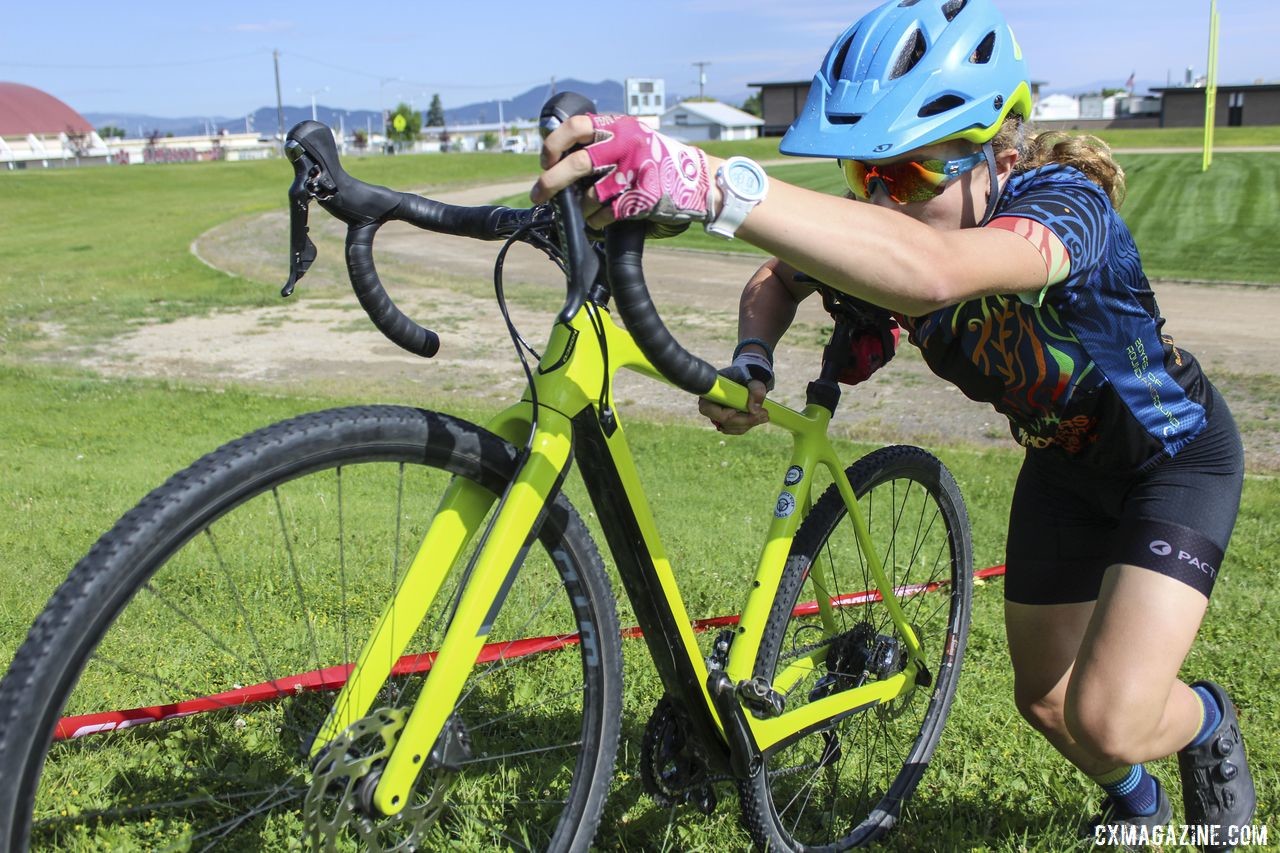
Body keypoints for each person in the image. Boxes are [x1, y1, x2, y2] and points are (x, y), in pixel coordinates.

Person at [532, 0, 1255, 848]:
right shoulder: (905, 233)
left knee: (1109, 716)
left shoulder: (1068, 210)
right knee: (1046, 701)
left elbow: (932, 270)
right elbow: (780, 274)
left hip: (1171, 459)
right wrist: (752, 358)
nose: (887, 204)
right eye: (863, 179)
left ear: (1002, 153)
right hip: (1061, 466)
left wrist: (706, 179)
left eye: (911, 176)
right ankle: (1138, 804)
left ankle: (1205, 721)